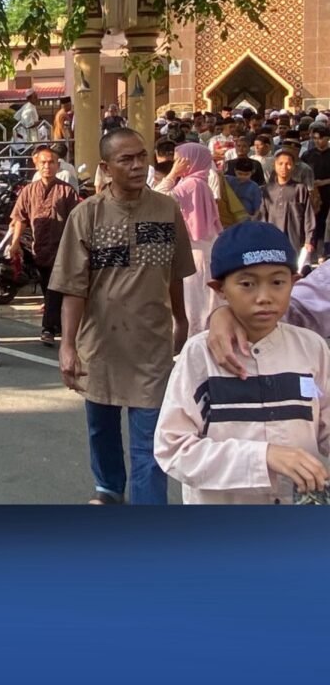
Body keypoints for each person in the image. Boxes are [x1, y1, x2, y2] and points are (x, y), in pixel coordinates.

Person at [51, 128, 195, 505]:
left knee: (150, 439)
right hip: (100, 343)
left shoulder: (167, 209)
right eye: (125, 160)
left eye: (141, 157)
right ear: (106, 167)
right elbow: (73, 287)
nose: (136, 166)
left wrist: (182, 320)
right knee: (102, 426)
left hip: (152, 343)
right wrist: (68, 345)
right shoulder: (87, 215)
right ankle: (109, 488)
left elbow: (176, 272)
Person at [154, 223, 330, 504]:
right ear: (219, 289)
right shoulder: (199, 356)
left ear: (294, 283)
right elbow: (173, 448)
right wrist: (264, 456)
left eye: (277, 282)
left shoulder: (312, 349)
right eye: (247, 284)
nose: (264, 297)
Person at [9, 145, 79, 346]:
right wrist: (15, 243)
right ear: (36, 164)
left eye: (51, 163)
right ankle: (56, 325)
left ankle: (47, 329)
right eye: (43, 163)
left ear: (58, 166)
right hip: (38, 249)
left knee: (54, 289)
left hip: (61, 250)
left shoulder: (66, 191)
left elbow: (76, 221)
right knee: (48, 288)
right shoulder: (29, 191)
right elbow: (19, 218)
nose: (47, 166)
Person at [153, 143, 223, 337]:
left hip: (194, 250)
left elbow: (157, 199)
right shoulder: (200, 182)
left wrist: (172, 174)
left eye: (180, 160)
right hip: (204, 248)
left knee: (196, 303)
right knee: (203, 301)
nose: (177, 163)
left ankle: (196, 344)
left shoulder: (190, 184)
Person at [257, 149, 315, 258]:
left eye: (288, 164)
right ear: (274, 165)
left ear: (293, 166)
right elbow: (262, 216)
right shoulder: (267, 190)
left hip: (294, 239)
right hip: (272, 238)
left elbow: (308, 216)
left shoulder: (300, 189)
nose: (284, 167)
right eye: (280, 164)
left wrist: (309, 240)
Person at [301, 124, 330, 251]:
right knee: (312, 220)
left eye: (320, 138)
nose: (318, 141)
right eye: (315, 138)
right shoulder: (308, 155)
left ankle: (323, 249)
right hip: (311, 193)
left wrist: (323, 182)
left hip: (328, 192)